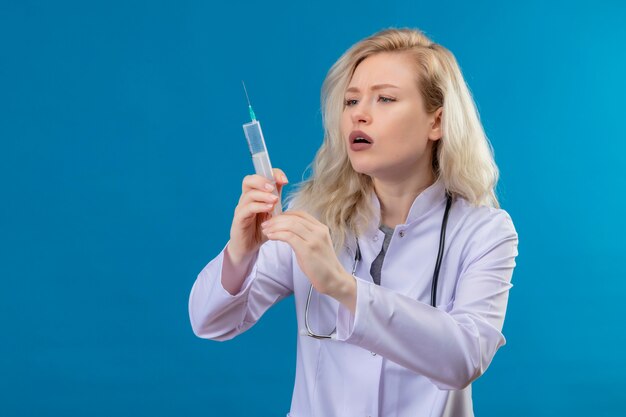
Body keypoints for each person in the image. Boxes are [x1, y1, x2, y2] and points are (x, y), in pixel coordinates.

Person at [189, 27, 519, 417]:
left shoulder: (484, 231)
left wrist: (341, 286)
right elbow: (211, 322)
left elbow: (464, 358)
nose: (359, 114)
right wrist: (241, 253)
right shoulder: (314, 218)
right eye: (350, 100)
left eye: (385, 98)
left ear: (437, 122)